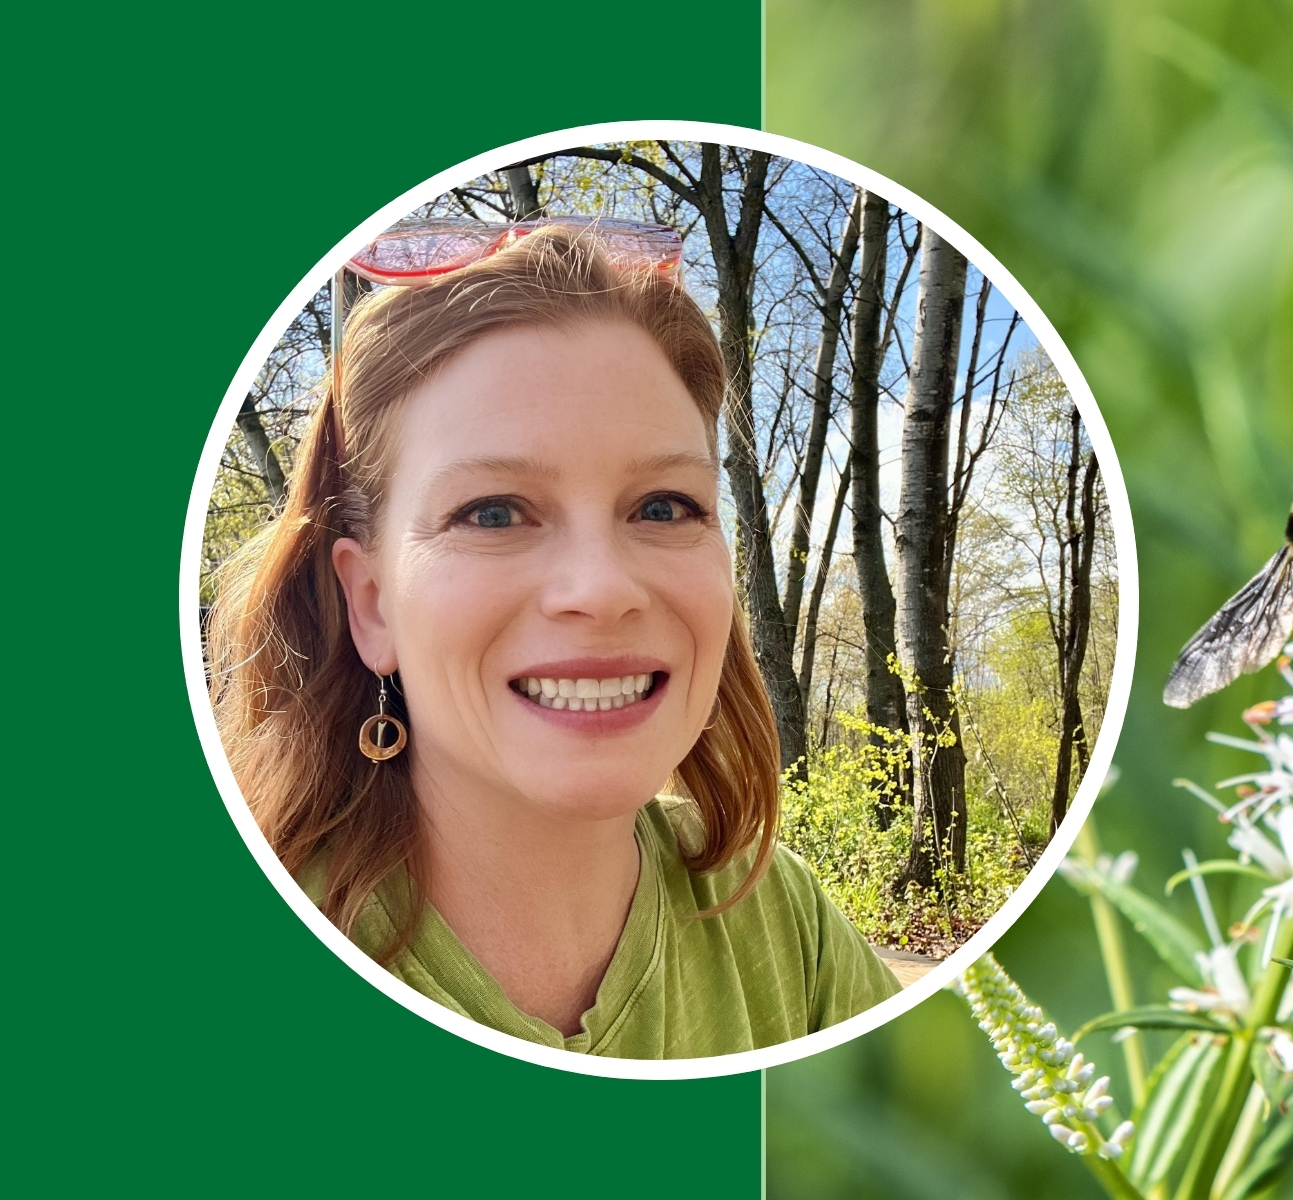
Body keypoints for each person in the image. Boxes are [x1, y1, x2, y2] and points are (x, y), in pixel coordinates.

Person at [207, 223, 900, 1058]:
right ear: (372, 603)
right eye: (493, 512)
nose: (602, 590)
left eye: (663, 506)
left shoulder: (779, 921)